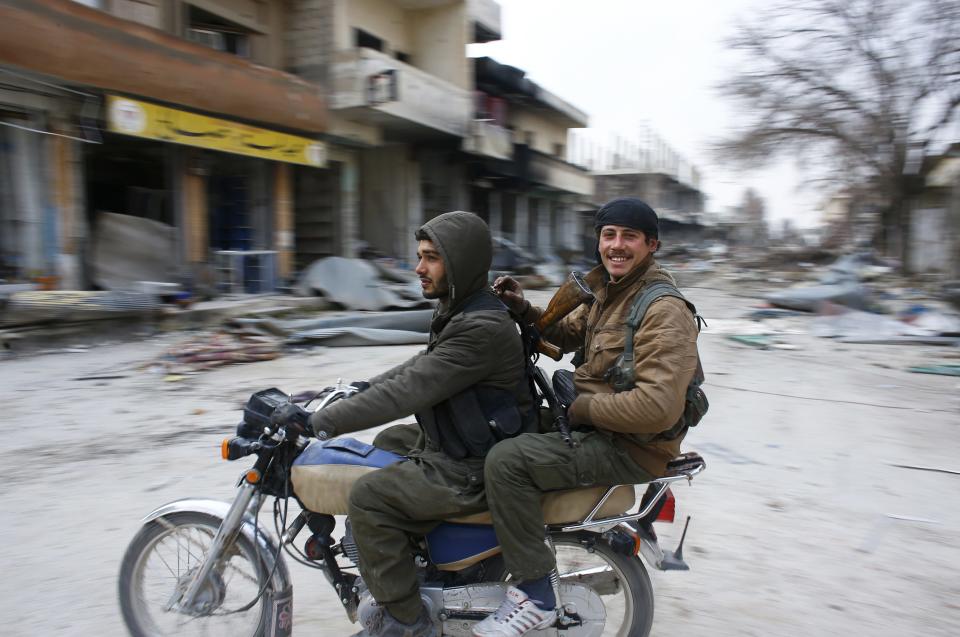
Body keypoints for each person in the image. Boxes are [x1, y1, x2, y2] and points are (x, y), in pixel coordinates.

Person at [475, 197, 701, 637]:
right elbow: (562, 333)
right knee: (491, 427)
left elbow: (658, 407)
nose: (617, 245)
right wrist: (523, 309)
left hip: (632, 446)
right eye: (609, 235)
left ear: (651, 244)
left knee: (506, 463)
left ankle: (535, 595)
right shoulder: (609, 292)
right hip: (595, 425)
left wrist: (580, 406)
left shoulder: (663, 309)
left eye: (629, 236)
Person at [305, 211, 533, 637]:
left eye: (431, 258)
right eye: (419, 256)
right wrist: (357, 389)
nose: (418, 268)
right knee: (389, 440)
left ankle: (407, 620)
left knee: (369, 496)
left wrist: (319, 423)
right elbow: (419, 368)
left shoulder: (479, 326)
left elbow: (410, 390)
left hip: (478, 462)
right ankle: (426, 562)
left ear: (459, 262)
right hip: (470, 438)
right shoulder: (461, 308)